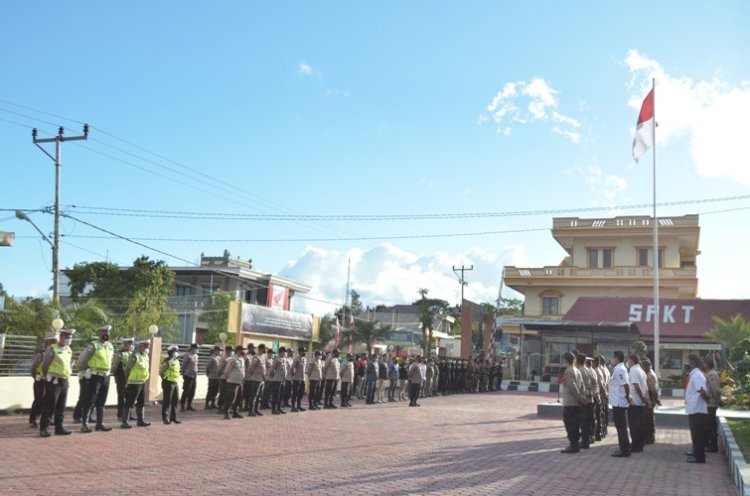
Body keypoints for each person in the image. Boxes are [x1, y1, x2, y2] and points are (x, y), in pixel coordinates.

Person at [76, 324, 115, 433]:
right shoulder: (93, 346)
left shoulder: (110, 346)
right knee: (90, 400)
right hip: (95, 376)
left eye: (107, 332)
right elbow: (82, 361)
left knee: (101, 401)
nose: (106, 334)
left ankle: (100, 423)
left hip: (106, 376)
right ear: (99, 333)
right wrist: (84, 373)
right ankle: (85, 424)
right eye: (103, 332)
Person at [39, 328, 75, 437]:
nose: (69, 339)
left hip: (64, 381)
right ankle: (44, 428)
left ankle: (59, 427)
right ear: (62, 337)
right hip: (54, 381)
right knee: (49, 405)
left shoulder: (68, 349)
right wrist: (49, 377)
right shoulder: (52, 349)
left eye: (70, 337)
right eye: (67, 337)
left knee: (61, 406)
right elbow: (45, 366)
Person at [120, 340, 151, 429]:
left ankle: (140, 420)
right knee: (129, 402)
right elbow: (127, 369)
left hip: (142, 382)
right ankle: (124, 422)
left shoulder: (145, 355)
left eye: (148, 346)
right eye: (146, 345)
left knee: (141, 402)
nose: (147, 347)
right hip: (134, 382)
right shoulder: (134, 356)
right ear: (141, 346)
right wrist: (128, 379)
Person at [29, 332, 58, 428]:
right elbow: (33, 368)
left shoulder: (55, 353)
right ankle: (34, 419)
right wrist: (36, 377)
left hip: (51, 380)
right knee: (39, 400)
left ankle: (47, 418)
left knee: (50, 400)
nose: (54, 343)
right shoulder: (41, 355)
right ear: (47, 342)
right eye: (52, 341)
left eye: (55, 341)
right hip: (41, 381)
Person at [685, 354, 710, 463]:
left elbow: (702, 391)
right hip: (694, 408)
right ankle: (696, 453)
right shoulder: (694, 374)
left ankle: (699, 457)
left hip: (697, 409)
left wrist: (707, 400)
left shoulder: (697, 375)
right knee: (695, 434)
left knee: (697, 434)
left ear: (692, 362)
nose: (686, 364)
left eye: (688, 362)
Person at [561, 352, 585, 453]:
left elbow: (573, 386)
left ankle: (573, 445)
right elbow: (582, 385)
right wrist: (581, 397)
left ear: (566, 360)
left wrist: (579, 397)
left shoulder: (568, 371)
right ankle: (575, 444)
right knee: (575, 424)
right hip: (576, 402)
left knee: (570, 424)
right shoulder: (577, 370)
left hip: (570, 402)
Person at [608, 351, 631, 457]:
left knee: (621, 427)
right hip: (617, 401)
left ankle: (625, 449)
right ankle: (623, 447)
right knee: (620, 426)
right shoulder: (619, 368)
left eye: (613, 358)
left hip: (619, 402)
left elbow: (625, 384)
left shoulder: (619, 369)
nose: (612, 360)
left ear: (616, 359)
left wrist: (628, 396)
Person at [627, 354, 649, 453]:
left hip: (635, 402)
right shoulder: (641, 370)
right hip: (639, 402)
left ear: (631, 361)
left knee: (634, 425)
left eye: (628, 361)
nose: (627, 363)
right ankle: (639, 444)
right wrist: (644, 399)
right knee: (639, 424)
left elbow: (636, 386)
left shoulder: (634, 371)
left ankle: (636, 446)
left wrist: (642, 398)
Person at [111, 337, 134, 423]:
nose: (131, 346)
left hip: (130, 378)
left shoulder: (132, 353)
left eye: (132, 344)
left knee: (129, 397)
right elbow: (115, 365)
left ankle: (129, 414)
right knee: (121, 396)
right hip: (121, 377)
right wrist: (114, 375)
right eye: (129, 344)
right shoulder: (120, 353)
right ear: (125, 344)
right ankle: (120, 415)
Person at [160, 344, 182, 425]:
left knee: (175, 400)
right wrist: (165, 379)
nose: (176, 352)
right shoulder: (167, 361)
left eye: (177, 351)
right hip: (168, 383)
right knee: (167, 401)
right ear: (171, 352)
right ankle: (165, 418)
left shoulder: (176, 361)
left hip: (175, 382)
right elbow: (161, 372)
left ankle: (173, 417)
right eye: (175, 351)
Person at [222, 345, 246, 419]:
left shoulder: (241, 359)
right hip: (232, 382)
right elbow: (227, 371)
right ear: (238, 351)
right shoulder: (233, 359)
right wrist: (228, 379)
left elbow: (242, 370)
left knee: (238, 398)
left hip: (239, 382)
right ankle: (226, 412)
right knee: (230, 398)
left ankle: (235, 411)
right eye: (242, 350)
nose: (243, 351)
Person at [703, 357, 722, 453]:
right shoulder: (709, 374)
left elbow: (716, 390)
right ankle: (709, 444)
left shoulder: (711, 375)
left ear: (707, 364)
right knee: (708, 425)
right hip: (708, 403)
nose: (703, 365)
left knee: (711, 426)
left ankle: (713, 446)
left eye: (704, 363)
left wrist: (718, 401)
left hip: (710, 403)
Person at [642, 359, 661, 445]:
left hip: (650, 397)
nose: (642, 368)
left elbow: (653, 389)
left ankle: (649, 438)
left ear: (647, 367)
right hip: (650, 397)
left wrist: (655, 399)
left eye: (643, 366)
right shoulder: (650, 374)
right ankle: (649, 437)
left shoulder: (650, 376)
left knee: (648, 419)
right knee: (648, 418)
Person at [246, 343, 266, 416]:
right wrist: (251, 375)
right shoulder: (256, 357)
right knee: (254, 395)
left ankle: (256, 409)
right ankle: (251, 411)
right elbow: (251, 367)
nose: (265, 350)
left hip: (261, 379)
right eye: (264, 348)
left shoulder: (262, 357)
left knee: (259, 396)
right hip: (255, 379)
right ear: (261, 349)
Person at [180, 343, 199, 412]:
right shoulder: (188, 355)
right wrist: (183, 373)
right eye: (196, 348)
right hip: (188, 375)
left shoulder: (196, 355)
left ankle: (189, 405)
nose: (197, 350)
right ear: (192, 348)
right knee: (186, 391)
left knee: (192, 391)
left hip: (194, 375)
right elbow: (184, 365)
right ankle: (182, 405)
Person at [269, 346, 288, 414]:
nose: (285, 353)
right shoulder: (277, 359)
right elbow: (272, 369)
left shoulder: (284, 359)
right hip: (276, 380)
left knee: (281, 396)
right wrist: (272, 377)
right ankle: (274, 409)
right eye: (284, 352)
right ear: (281, 352)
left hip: (282, 380)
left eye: (285, 352)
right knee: (275, 396)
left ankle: (279, 408)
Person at [216, 345, 233, 414]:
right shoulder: (223, 359)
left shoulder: (232, 358)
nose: (230, 352)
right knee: (222, 393)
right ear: (227, 351)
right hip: (223, 378)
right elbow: (220, 369)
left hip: (230, 378)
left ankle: (225, 407)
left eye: (231, 351)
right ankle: (220, 407)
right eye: (229, 351)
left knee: (228, 394)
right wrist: (219, 377)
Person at [291, 346, 308, 412]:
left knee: (301, 393)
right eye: (303, 351)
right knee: (295, 393)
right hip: (296, 379)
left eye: (305, 351)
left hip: (302, 379)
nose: (304, 352)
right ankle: (293, 406)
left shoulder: (304, 359)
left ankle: (299, 406)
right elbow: (292, 368)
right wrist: (293, 374)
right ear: (300, 352)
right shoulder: (296, 359)